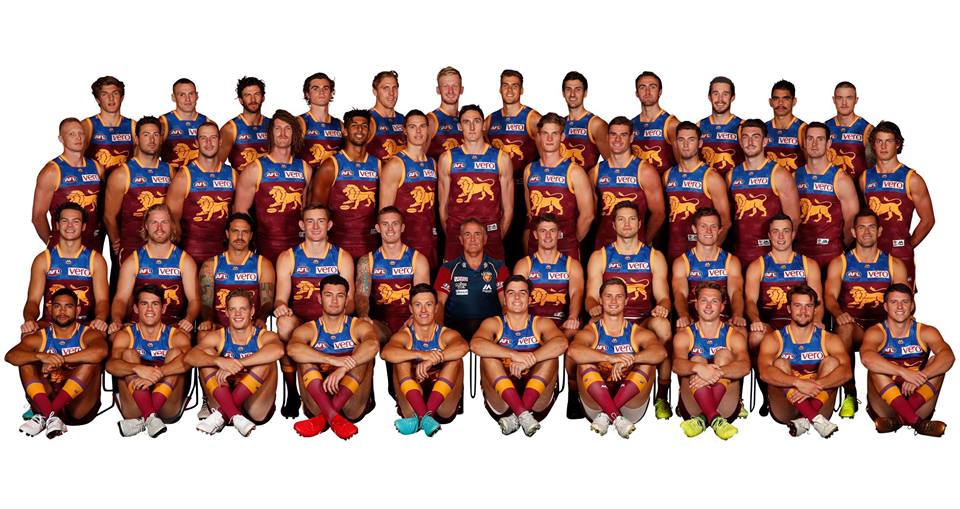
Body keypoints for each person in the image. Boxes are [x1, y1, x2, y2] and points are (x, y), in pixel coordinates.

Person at [585, 201, 673, 418]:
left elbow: (664, 297)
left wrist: (662, 307)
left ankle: (662, 396)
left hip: (642, 322)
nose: (627, 224)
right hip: (611, 321)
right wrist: (594, 307)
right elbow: (590, 297)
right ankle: (586, 393)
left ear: (639, 224)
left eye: (632, 219)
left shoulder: (654, 256)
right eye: (621, 219)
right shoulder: (600, 256)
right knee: (590, 326)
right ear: (613, 225)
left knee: (663, 326)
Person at [824, 209, 907, 418]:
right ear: (853, 232)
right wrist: (838, 312)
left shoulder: (894, 264)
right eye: (861, 227)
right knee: (844, 328)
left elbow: (905, 302)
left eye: (871, 227)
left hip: (883, 330)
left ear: (880, 231)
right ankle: (850, 394)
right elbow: (829, 297)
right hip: (856, 328)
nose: (867, 232)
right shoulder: (841, 262)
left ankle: (883, 396)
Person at [273, 204, 354, 417]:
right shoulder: (288, 257)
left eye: (320, 221)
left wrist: (333, 317)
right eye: (310, 221)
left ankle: (348, 388)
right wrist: (280, 307)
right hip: (302, 322)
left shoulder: (342, 257)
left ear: (329, 225)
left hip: (333, 321)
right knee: (283, 324)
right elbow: (280, 297)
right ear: (302, 225)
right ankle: (292, 392)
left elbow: (351, 301)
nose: (315, 226)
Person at [568, 278, 666, 438]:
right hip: (596, 405)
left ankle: (608, 414)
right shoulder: (591, 331)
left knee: (648, 361)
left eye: (619, 296)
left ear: (626, 301)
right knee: (583, 360)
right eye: (608, 296)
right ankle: (613, 415)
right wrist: (610, 358)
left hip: (630, 406)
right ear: (600, 300)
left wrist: (632, 359)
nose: (614, 301)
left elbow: (660, 353)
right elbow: (573, 351)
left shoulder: (637, 332)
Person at [744, 214, 822, 415]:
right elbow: (750, 301)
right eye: (776, 231)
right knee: (756, 337)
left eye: (785, 231)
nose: (781, 236)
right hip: (772, 326)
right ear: (769, 235)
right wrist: (755, 319)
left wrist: (818, 320)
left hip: (802, 326)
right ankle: (767, 395)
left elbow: (818, 302)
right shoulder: (758, 266)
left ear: (793, 234)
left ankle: (810, 395)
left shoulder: (808, 264)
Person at [471, 276, 568, 436]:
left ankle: (519, 416)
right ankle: (522, 414)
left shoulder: (541, 323)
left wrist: (531, 359)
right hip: (501, 403)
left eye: (522, 293)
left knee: (551, 355)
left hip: (537, 404)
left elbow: (562, 343)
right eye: (511, 293)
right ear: (504, 299)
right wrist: (513, 354)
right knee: (487, 356)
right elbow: (475, 344)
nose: (516, 297)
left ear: (530, 299)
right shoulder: (493, 323)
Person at [287, 275, 379, 439]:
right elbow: (292, 350)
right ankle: (332, 416)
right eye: (329, 295)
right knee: (304, 356)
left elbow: (373, 345)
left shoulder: (358, 325)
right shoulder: (308, 329)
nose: (334, 301)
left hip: (352, 404)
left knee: (363, 352)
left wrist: (344, 367)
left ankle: (324, 418)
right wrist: (331, 360)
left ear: (347, 300)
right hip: (317, 402)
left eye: (340, 296)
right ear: (319, 298)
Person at [7, 288, 108, 438]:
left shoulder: (88, 333)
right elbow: (11, 356)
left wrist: (59, 360)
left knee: (91, 361)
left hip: (78, 408)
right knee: (25, 361)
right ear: (49, 310)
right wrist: (41, 356)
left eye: (68, 306)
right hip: (47, 398)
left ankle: (47, 415)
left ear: (77, 310)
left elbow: (101, 352)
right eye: (57, 306)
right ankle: (51, 415)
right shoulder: (39, 337)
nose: (62, 311)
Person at [186, 290, 284, 436]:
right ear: (226, 312)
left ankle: (222, 414)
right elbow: (190, 357)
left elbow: (279, 351)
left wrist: (238, 363)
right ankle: (234, 415)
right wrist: (218, 361)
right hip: (223, 396)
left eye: (243, 309)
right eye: (233, 309)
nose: (238, 314)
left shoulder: (264, 336)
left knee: (266, 360)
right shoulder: (217, 336)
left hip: (255, 407)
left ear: (252, 311)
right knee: (206, 358)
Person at [861, 284, 953, 436]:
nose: (900, 307)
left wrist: (921, 376)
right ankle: (917, 423)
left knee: (937, 364)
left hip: (918, 402)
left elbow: (948, 357)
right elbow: (866, 358)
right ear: (885, 307)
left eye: (905, 302)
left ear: (912, 306)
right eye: (894, 302)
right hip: (885, 408)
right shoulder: (876, 332)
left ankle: (901, 419)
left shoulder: (926, 331)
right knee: (875, 368)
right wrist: (904, 373)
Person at [757, 285, 850, 438]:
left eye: (808, 306)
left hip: (819, 400)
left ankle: (809, 417)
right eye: (798, 306)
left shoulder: (830, 339)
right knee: (780, 363)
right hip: (786, 407)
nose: (803, 311)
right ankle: (815, 418)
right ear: (789, 309)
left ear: (815, 310)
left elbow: (846, 372)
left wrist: (816, 385)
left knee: (833, 363)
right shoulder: (773, 339)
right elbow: (765, 373)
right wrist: (798, 383)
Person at [381, 284, 469, 436]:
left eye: (428, 304)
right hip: (411, 405)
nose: (423, 310)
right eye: (418, 305)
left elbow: (463, 347)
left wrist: (432, 360)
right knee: (400, 360)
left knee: (455, 360)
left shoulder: (445, 334)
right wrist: (422, 354)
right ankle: (425, 417)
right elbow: (386, 353)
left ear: (436, 308)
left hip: (444, 406)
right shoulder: (405, 335)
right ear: (411, 309)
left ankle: (422, 418)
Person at [106, 285, 191, 437]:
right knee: (128, 355)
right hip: (134, 407)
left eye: (155, 304)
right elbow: (111, 366)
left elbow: (190, 361)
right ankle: (150, 417)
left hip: (167, 406)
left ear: (163, 308)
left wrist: (157, 374)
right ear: (136, 308)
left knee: (177, 354)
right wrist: (137, 368)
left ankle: (146, 418)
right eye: (144, 304)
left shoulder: (177, 336)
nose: (150, 309)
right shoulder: (125, 335)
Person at [233, 109, 312, 264]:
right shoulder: (254, 169)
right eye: (278, 128)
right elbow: (240, 212)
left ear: (294, 133)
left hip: (298, 246)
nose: (282, 133)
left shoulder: (305, 169)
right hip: (265, 247)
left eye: (287, 129)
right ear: (271, 133)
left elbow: (307, 211)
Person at [672, 283, 750, 439]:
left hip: (726, 408)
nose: (708, 305)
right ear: (696, 305)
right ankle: (714, 419)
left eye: (714, 301)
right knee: (697, 360)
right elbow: (676, 365)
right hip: (691, 408)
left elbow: (745, 366)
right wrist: (699, 368)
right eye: (704, 300)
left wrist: (715, 373)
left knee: (724, 355)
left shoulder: (734, 335)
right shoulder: (685, 334)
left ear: (722, 306)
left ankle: (705, 418)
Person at [861, 121, 934, 285]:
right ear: (873, 145)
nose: (883, 146)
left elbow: (928, 220)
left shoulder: (912, 179)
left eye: (889, 141)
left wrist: (908, 245)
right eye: (879, 141)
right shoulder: (865, 177)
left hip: (900, 254)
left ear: (898, 144)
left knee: (902, 300)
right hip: (871, 254)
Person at [438, 105, 514, 261]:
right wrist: (453, 233)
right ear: (460, 126)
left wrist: (496, 235)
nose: (472, 127)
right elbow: (442, 207)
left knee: (494, 276)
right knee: (453, 276)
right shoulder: (447, 158)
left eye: (477, 121)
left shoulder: (501, 158)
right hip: (456, 233)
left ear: (484, 125)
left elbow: (508, 209)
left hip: (491, 234)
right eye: (466, 122)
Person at [110, 204, 199, 334]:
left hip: (172, 324)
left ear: (171, 225)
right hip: (139, 324)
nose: (159, 228)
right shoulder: (133, 261)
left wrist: (188, 319)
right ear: (146, 226)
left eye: (164, 222)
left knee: (183, 339)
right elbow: (120, 299)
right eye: (154, 223)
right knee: (116, 337)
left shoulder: (185, 260)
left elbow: (194, 300)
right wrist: (117, 320)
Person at [23, 203, 109, 335]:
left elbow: (102, 301)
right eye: (65, 221)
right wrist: (29, 320)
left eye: (76, 221)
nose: (70, 225)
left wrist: (100, 319)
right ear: (57, 225)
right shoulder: (43, 259)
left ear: (83, 226)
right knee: (27, 334)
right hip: (50, 324)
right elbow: (33, 301)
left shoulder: (96, 260)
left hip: (84, 324)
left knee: (101, 335)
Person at [485, 69, 541, 266]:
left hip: (522, 189)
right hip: (497, 190)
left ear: (521, 90)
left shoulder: (532, 118)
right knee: (499, 238)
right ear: (500, 89)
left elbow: (548, 153)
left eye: (514, 86)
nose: (509, 90)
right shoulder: (490, 120)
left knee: (521, 240)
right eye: (505, 85)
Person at [728, 118, 800, 267]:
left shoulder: (779, 174)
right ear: (740, 142)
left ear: (765, 141)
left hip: (769, 256)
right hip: (739, 254)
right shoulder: (731, 175)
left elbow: (794, 219)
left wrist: (779, 255)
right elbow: (728, 219)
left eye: (755, 137)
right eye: (745, 137)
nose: (750, 142)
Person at [312, 109, 381, 260]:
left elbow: (384, 208)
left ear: (369, 132)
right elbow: (316, 210)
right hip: (338, 246)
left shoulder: (378, 165)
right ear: (345, 131)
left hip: (370, 245)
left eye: (364, 125)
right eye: (354, 125)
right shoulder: (331, 166)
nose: (360, 129)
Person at [524, 112, 595, 259]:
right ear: (538, 136)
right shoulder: (529, 170)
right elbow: (531, 212)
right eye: (545, 133)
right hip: (535, 246)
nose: (549, 139)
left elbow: (588, 216)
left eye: (554, 134)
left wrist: (570, 240)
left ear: (562, 137)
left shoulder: (574, 172)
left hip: (566, 246)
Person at [103, 116, 173, 261]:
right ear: (136, 139)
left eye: (156, 135)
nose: (152, 140)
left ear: (161, 139)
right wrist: (117, 243)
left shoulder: (170, 171)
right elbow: (109, 217)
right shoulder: (121, 174)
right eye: (146, 135)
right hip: (131, 247)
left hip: (163, 247)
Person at [166, 120, 236, 264]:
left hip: (223, 254)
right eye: (203, 138)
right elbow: (172, 221)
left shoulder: (233, 175)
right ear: (196, 143)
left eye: (213, 138)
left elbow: (238, 215)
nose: (208, 143)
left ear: (220, 141)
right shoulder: (184, 176)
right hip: (191, 253)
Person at [590, 116, 664, 249]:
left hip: (635, 248)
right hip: (603, 246)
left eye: (623, 135)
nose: (617, 139)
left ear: (631, 138)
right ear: (607, 137)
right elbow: (591, 215)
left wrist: (644, 241)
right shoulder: (595, 172)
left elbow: (659, 213)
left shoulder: (645, 171)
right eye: (613, 134)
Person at [355, 207, 430, 337]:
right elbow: (362, 295)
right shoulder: (367, 261)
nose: (390, 229)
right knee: (364, 329)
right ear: (378, 228)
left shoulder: (417, 259)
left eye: (395, 224)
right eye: (385, 224)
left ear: (402, 227)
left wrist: (413, 319)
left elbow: (423, 297)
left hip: (411, 322)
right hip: (380, 325)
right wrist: (363, 315)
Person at [379, 110, 440, 270]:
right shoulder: (395, 165)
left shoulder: (432, 163)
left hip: (429, 239)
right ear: (405, 130)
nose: (418, 131)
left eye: (422, 126)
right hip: (405, 242)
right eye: (413, 127)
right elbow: (384, 213)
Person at [32, 117, 104, 251]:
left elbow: (104, 206)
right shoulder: (52, 171)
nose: (78, 137)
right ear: (61, 139)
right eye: (72, 134)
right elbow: (38, 216)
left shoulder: (97, 167)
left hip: (92, 244)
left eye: (81, 133)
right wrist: (52, 244)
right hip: (64, 246)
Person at [795, 122, 860, 269]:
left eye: (820, 139)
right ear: (804, 142)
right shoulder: (794, 176)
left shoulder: (841, 179)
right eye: (810, 138)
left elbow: (852, 222)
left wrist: (837, 247)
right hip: (800, 254)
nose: (814, 144)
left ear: (828, 143)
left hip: (831, 255)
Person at [663, 121, 731, 262]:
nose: (686, 144)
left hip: (702, 256)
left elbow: (726, 222)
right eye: (681, 140)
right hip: (673, 251)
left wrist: (709, 255)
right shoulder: (668, 175)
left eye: (691, 140)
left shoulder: (711, 177)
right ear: (675, 143)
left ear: (700, 143)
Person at [434, 219, 510, 341]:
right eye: (467, 234)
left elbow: (506, 303)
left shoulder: (499, 268)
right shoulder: (448, 268)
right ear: (461, 239)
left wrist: (508, 331)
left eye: (477, 234)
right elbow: (439, 303)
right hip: (456, 332)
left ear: (485, 239)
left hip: (490, 332)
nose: (472, 239)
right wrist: (438, 333)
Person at [198, 213, 275, 331]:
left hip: (251, 328)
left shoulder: (263, 264)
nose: (240, 236)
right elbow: (205, 303)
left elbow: (267, 303)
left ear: (251, 235)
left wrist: (261, 319)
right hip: (219, 329)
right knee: (203, 335)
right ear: (227, 233)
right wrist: (208, 321)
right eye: (235, 231)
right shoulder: (211, 264)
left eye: (245, 232)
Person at [671, 207, 745, 330]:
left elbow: (736, 292)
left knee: (740, 330)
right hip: (693, 320)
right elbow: (680, 294)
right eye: (703, 226)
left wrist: (737, 315)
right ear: (694, 229)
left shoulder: (731, 261)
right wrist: (684, 315)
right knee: (682, 331)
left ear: (720, 230)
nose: (709, 231)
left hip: (724, 320)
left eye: (713, 226)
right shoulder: (682, 262)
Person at [513, 213, 584, 337]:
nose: (547, 235)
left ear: (559, 234)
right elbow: (517, 296)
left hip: (562, 326)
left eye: (552, 231)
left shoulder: (572, 265)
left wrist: (572, 317)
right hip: (531, 326)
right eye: (543, 231)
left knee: (573, 331)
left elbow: (576, 293)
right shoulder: (524, 264)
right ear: (535, 234)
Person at [82, 76, 135, 175]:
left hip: (124, 182)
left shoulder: (133, 125)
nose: (111, 98)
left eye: (115, 93)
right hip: (97, 182)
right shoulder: (87, 125)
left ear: (122, 97)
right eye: (104, 94)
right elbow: (76, 159)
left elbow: (142, 160)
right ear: (98, 100)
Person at [630, 71, 678, 174]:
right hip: (638, 182)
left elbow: (684, 165)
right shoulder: (630, 125)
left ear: (660, 92)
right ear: (636, 93)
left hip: (664, 182)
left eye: (652, 87)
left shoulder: (671, 124)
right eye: (642, 87)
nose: (647, 92)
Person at [560, 71, 609, 170]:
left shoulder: (595, 124)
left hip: (586, 179)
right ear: (563, 93)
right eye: (568, 89)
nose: (572, 94)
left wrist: (592, 177)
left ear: (585, 93)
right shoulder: (559, 123)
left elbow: (613, 163)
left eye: (578, 89)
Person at [218, 76, 270, 170]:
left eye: (257, 94)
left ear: (263, 98)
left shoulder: (272, 125)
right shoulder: (230, 129)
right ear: (241, 100)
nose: (253, 99)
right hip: (240, 179)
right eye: (247, 95)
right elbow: (216, 166)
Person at [825, 81, 874, 179]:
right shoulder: (825, 128)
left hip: (858, 186)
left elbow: (874, 167)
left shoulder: (867, 129)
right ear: (834, 100)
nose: (844, 103)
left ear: (856, 100)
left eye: (849, 98)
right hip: (830, 185)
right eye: (840, 98)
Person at [160, 78, 208, 171]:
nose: (187, 99)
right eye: (182, 95)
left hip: (199, 177)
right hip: (172, 177)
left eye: (191, 94)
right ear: (173, 97)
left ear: (197, 96)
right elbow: (151, 157)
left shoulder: (207, 122)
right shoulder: (163, 122)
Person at [698, 76, 743, 176]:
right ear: (709, 97)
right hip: (706, 184)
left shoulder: (743, 126)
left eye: (725, 94)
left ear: (733, 97)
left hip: (735, 183)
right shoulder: (699, 126)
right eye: (716, 94)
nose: (720, 99)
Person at [297, 72, 344, 168]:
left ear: (331, 93)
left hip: (332, 176)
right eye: (315, 88)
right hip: (307, 176)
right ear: (307, 94)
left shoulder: (339, 124)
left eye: (325, 88)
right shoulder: (300, 122)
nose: (321, 92)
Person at [765, 80, 807, 172]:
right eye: (776, 99)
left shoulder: (802, 129)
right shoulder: (763, 129)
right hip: (769, 180)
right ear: (770, 102)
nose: (780, 103)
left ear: (794, 101)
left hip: (796, 180)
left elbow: (812, 164)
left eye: (786, 99)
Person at [426, 66, 464, 160]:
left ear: (461, 89)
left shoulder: (467, 119)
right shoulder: (431, 120)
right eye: (445, 86)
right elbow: (417, 157)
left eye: (455, 86)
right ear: (438, 90)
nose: (450, 91)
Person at [367, 70, 406, 160]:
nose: (391, 93)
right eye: (386, 88)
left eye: (394, 88)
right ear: (375, 91)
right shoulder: (368, 120)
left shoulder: (403, 119)